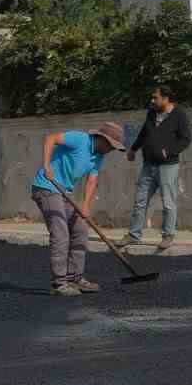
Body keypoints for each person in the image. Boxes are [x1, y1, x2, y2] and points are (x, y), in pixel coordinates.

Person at [31, 122, 125, 297]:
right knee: (60, 232)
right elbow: (50, 138)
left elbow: (92, 179)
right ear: (102, 139)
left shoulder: (98, 156)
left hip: (63, 192)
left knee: (80, 229)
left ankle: (74, 277)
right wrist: (46, 165)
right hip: (46, 187)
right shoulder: (79, 139)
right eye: (111, 146)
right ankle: (59, 283)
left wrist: (85, 205)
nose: (112, 150)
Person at [124, 85, 192, 252]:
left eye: (156, 97)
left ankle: (168, 236)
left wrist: (169, 151)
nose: (152, 100)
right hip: (148, 165)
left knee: (168, 202)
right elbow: (144, 132)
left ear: (166, 98)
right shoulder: (152, 112)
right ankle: (134, 235)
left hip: (168, 166)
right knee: (140, 200)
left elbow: (186, 139)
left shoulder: (179, 114)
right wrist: (133, 149)